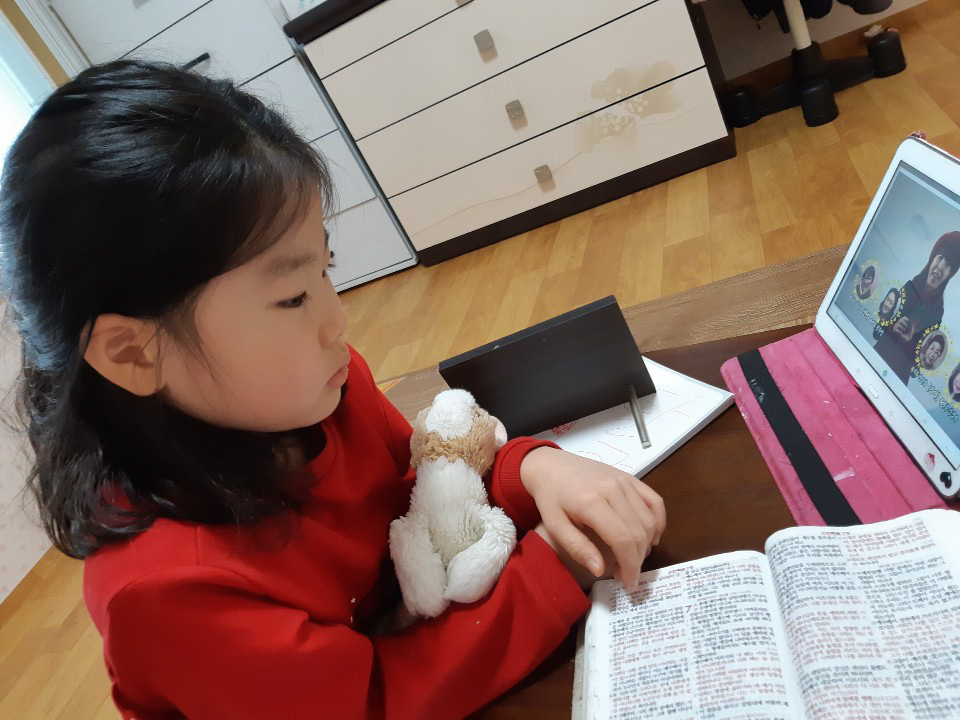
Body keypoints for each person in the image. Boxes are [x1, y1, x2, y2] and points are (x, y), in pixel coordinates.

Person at [0, 61, 666, 719]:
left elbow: (433, 484)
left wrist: (536, 470)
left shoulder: (316, 389)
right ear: (133, 353)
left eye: (327, 268)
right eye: (293, 296)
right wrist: (554, 568)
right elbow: (369, 702)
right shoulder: (166, 591)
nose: (336, 321)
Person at [874, 231, 960, 383]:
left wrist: (912, 343)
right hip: (876, 358)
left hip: (898, 376)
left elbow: (917, 367)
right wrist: (892, 327)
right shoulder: (909, 287)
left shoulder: (938, 312)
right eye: (940, 258)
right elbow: (878, 329)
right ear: (932, 259)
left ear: (950, 273)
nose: (940, 267)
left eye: (947, 265)